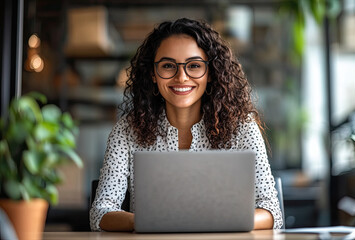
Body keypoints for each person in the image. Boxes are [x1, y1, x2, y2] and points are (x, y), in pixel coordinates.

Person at [90, 18, 283, 231]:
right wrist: (143, 221)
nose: (181, 77)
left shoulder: (243, 128)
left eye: (194, 66)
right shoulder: (126, 131)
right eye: (167, 66)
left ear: (210, 73)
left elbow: (271, 211)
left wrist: (217, 223)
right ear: (153, 74)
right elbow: (101, 212)